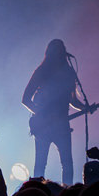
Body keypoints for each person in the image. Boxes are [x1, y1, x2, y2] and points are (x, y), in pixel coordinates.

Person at [22, 39, 87, 185]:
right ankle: (37, 193)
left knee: (67, 164)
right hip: (43, 127)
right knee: (41, 164)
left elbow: (73, 100)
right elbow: (25, 99)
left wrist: (86, 108)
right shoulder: (41, 72)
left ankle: (67, 193)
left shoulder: (68, 72)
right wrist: (41, 115)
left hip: (62, 125)